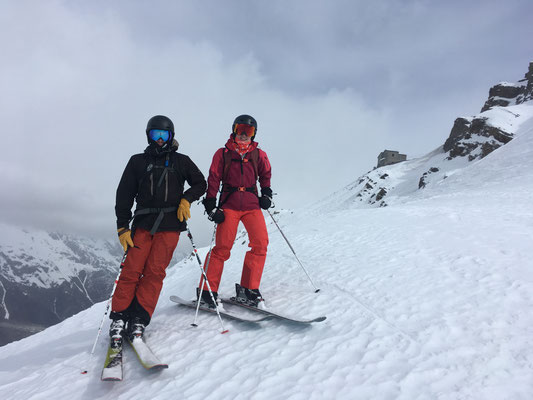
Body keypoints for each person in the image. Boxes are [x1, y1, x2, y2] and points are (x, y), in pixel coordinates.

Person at [110, 115, 206, 345]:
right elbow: (124, 194)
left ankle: (140, 318)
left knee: (154, 272)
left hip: (170, 225)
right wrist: (122, 226)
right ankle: (119, 316)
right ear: (148, 136)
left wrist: (186, 199)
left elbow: (201, 182)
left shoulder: (181, 161)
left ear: (171, 136)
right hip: (142, 224)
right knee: (131, 270)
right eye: (156, 134)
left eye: (165, 135)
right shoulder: (137, 161)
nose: (160, 140)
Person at [199, 114, 272, 309]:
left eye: (248, 131)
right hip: (229, 204)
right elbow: (213, 178)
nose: (243, 134)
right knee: (222, 248)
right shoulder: (223, 153)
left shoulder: (259, 154)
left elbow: (265, 175)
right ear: (233, 130)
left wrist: (266, 194)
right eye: (240, 130)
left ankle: (249, 289)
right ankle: (207, 291)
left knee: (260, 244)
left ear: (254, 134)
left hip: (251, 205)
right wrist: (210, 204)